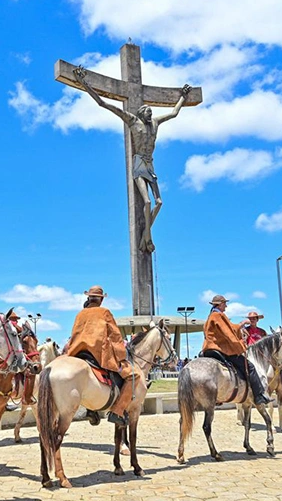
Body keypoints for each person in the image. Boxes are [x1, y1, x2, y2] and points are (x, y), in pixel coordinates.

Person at [73, 65, 192, 253]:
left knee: (159, 202)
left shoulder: (155, 123)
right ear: (140, 112)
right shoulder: (132, 121)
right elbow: (104, 104)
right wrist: (84, 83)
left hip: (150, 163)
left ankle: (146, 233)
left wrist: (183, 97)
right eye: (146, 110)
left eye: (151, 111)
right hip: (138, 164)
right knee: (146, 202)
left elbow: (174, 113)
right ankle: (148, 236)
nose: (150, 112)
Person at [66, 285, 146, 427]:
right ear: (101, 300)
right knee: (132, 376)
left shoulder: (80, 314)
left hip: (77, 354)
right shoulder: (105, 312)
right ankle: (118, 411)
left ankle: (91, 409)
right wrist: (121, 355)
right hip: (98, 355)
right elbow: (115, 336)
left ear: (88, 298)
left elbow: (74, 335)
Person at [202, 295, 270, 405]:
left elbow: (231, 328)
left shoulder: (211, 316)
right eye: (224, 304)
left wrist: (242, 324)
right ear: (219, 304)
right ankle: (259, 396)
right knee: (250, 367)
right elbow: (229, 334)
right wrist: (240, 347)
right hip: (219, 348)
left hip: (208, 348)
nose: (226, 306)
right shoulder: (218, 315)